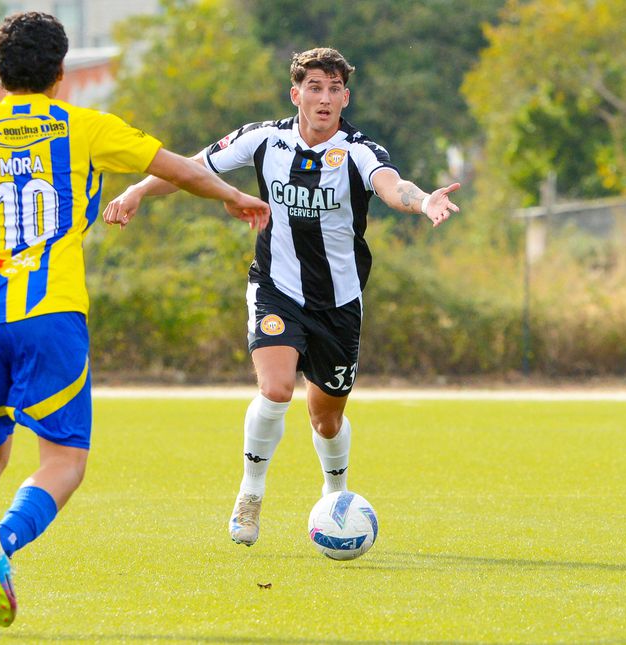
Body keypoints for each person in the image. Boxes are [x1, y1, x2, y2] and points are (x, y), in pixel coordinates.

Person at [0, 11, 268, 635]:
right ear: (60, 74)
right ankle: (1, 544)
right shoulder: (83, 127)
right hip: (50, 316)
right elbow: (177, 168)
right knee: (65, 461)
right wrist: (233, 196)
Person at [102, 47, 459, 547]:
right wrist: (138, 191)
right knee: (275, 389)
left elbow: (390, 185)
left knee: (326, 418)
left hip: (339, 302)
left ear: (345, 97)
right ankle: (250, 494)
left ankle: (336, 498)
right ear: (296, 94)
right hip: (276, 287)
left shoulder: (358, 150)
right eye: (315, 87)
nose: (325, 98)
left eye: (335, 89)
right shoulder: (263, 138)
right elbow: (191, 168)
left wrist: (422, 201)